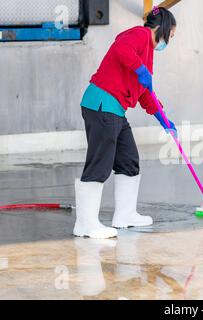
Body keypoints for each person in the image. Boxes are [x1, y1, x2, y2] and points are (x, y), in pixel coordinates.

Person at [74, 7, 177, 239]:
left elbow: (145, 92)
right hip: (101, 104)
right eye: (172, 34)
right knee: (99, 163)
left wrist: (164, 120)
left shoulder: (148, 54)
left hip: (115, 111)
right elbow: (121, 47)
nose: (171, 39)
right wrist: (140, 69)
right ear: (162, 28)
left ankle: (125, 215)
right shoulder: (140, 35)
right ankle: (85, 224)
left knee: (129, 160)